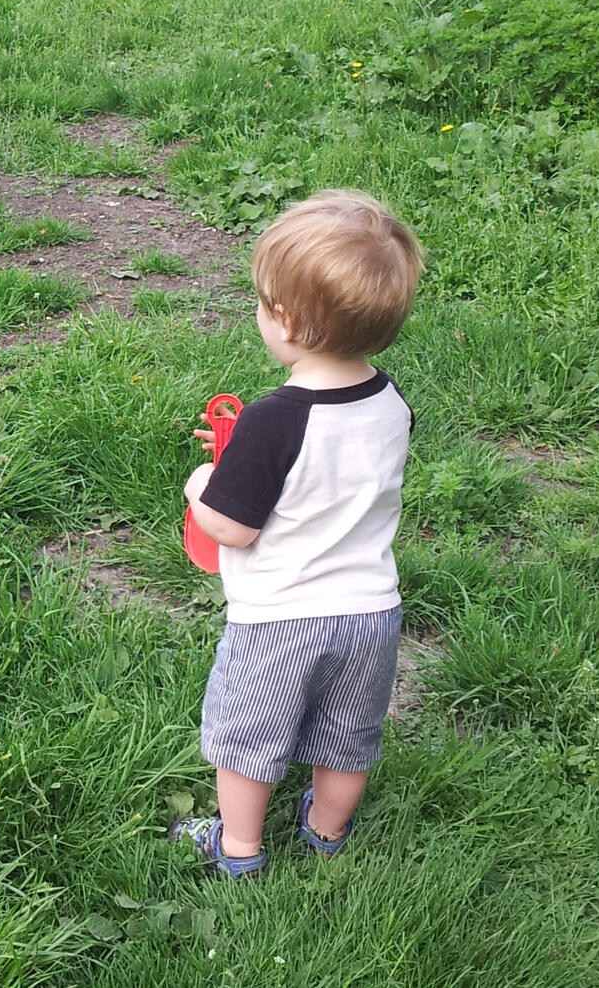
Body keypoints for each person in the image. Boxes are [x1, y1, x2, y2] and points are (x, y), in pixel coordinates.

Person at [173, 189, 424, 879]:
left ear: (286, 321)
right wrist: (246, 457)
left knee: (247, 743)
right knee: (347, 741)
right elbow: (329, 472)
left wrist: (203, 483)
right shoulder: (391, 401)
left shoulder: (274, 418)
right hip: (371, 614)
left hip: (282, 618)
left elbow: (231, 526)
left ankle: (239, 849)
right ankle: (325, 831)